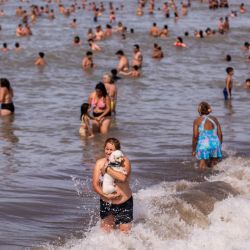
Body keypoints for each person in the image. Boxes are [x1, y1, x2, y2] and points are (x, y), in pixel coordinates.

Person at [92, 138, 133, 232]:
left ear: (117, 151)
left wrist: (107, 170)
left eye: (111, 150)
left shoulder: (125, 161)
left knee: (125, 233)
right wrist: (106, 195)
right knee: (106, 232)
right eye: (107, 149)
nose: (108, 152)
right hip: (107, 202)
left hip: (124, 202)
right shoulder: (99, 163)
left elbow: (123, 178)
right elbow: (95, 185)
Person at [192, 102, 223, 170]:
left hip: (204, 145)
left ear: (199, 111)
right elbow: (220, 134)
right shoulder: (215, 119)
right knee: (214, 167)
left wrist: (193, 149)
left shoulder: (197, 120)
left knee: (202, 168)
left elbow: (195, 136)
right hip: (215, 144)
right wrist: (219, 146)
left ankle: (201, 180)